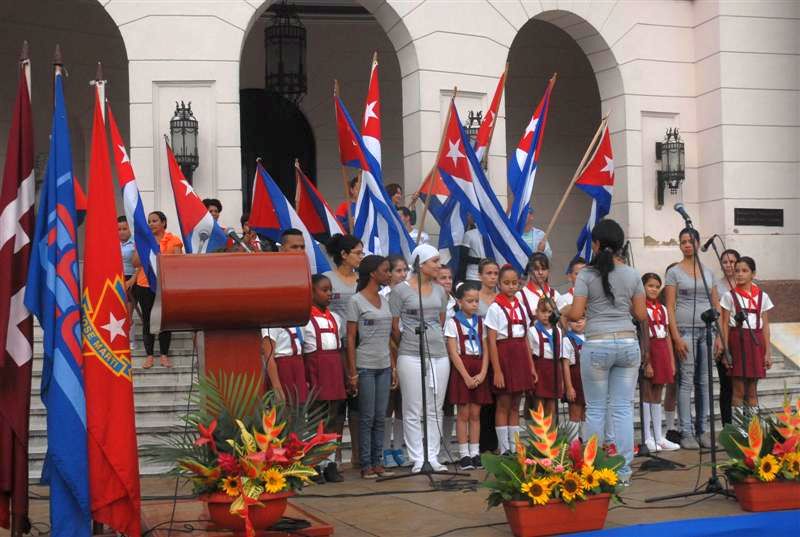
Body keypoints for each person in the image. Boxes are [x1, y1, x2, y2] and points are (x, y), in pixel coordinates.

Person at [567, 218, 647, 485]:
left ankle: (591, 470)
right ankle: (623, 473)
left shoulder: (587, 275)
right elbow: (640, 314)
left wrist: (566, 312)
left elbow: (576, 313)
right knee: (623, 409)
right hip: (627, 343)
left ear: (597, 244)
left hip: (597, 343)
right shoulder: (633, 274)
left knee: (597, 409)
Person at [389, 244, 449, 473]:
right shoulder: (400, 291)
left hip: (439, 354)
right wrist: (408, 341)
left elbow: (440, 319)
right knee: (412, 408)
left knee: (435, 406)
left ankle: (433, 456)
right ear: (420, 264)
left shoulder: (440, 290)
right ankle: (417, 457)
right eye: (434, 261)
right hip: (411, 353)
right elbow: (394, 326)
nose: (438, 265)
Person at [663, 228, 718, 450]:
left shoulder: (709, 272)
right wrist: (675, 337)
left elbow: (716, 305)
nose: (687, 245)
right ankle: (685, 431)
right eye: (683, 242)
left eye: (691, 241)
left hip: (707, 332)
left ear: (698, 243)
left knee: (704, 382)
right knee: (685, 381)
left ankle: (702, 429)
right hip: (684, 331)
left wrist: (718, 335)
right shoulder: (674, 273)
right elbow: (669, 307)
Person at [346, 255, 395, 479]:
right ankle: (366, 463)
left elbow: (388, 337)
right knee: (367, 417)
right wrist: (353, 371)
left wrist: (393, 365)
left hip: (384, 364)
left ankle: (378, 460)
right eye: (386, 270)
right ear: (373, 273)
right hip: (365, 364)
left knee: (380, 416)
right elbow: (350, 338)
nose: (389, 274)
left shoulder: (384, 300)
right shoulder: (356, 301)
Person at [485, 265, 537, 455]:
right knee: (503, 404)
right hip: (504, 355)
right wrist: (497, 370)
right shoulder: (495, 308)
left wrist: (531, 366)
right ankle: (504, 448)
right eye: (506, 283)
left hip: (520, 356)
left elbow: (525, 339)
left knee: (516, 404)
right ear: (499, 284)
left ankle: (515, 447)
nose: (511, 286)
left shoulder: (522, 307)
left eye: (514, 283)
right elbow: (491, 341)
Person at [323, 233, 363, 467]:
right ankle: (333, 457)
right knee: (337, 405)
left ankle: (357, 456)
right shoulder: (328, 279)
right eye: (357, 253)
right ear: (344, 255)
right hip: (336, 346)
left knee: (357, 405)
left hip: (359, 345)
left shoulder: (362, 280)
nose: (360, 257)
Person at [303, 274, 347, 483]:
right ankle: (314, 465)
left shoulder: (335, 318)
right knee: (316, 420)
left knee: (332, 419)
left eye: (330, 290)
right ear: (311, 292)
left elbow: (340, 347)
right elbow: (303, 350)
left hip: (333, 368)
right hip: (316, 368)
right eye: (324, 290)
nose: (329, 294)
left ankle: (329, 463)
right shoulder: (304, 319)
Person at [445, 282, 490, 470]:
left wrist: (482, 373)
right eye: (469, 301)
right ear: (459, 301)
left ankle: (475, 452)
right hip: (462, 367)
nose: (474, 304)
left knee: (475, 414)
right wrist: (465, 376)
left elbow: (487, 350)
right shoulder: (452, 322)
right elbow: (453, 352)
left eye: (476, 301)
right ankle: (464, 454)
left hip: (478, 365)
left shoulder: (481, 322)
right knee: (463, 413)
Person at [720, 257, 773, 410]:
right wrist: (725, 350)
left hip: (756, 343)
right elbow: (724, 325)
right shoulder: (729, 296)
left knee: (752, 391)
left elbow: (765, 326)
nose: (740, 274)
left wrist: (767, 352)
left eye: (744, 271)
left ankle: (752, 431)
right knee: (738, 390)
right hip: (737, 341)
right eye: (737, 271)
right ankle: (737, 433)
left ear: (753, 274)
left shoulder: (762, 296)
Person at [131, 211, 182, 369]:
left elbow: (178, 264)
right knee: (148, 321)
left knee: (164, 321)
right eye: (149, 221)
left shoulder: (174, 240)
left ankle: (164, 355)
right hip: (144, 286)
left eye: (155, 221)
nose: (152, 224)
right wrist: (142, 247)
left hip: (164, 286)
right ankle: (149, 356)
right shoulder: (143, 241)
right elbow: (135, 263)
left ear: (163, 222)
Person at [641, 273, 680, 452]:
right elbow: (642, 336)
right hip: (649, 351)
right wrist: (646, 361)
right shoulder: (641, 308)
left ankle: (659, 436)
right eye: (650, 286)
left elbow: (667, 336)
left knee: (658, 394)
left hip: (662, 350)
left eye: (657, 286)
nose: (654, 289)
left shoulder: (663, 309)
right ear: (642, 287)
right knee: (647, 393)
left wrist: (671, 361)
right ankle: (647, 436)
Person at [381, 255, 409, 468]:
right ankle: (384, 449)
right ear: (388, 273)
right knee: (389, 402)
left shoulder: (410, 293)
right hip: (389, 347)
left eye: (405, 270)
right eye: (398, 271)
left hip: (407, 348)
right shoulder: (383, 295)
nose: (403, 275)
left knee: (403, 403)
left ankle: (398, 446)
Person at [529, 297, 568, 418]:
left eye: (550, 312)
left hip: (554, 368)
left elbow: (561, 356)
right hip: (540, 367)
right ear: (537, 312)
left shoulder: (559, 331)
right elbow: (529, 354)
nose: (546, 315)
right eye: (543, 312)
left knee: (552, 404)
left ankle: (550, 435)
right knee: (539, 405)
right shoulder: (532, 331)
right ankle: (540, 435)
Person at [714, 249, 740, 425]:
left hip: (742, 339)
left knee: (743, 386)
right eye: (725, 262)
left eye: (732, 261)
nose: (729, 265)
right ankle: (727, 427)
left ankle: (744, 426)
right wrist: (720, 340)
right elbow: (717, 314)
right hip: (724, 337)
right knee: (727, 386)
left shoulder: (745, 284)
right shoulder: (716, 285)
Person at [436, 264, 456, 462]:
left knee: (449, 403)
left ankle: (446, 446)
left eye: (449, 277)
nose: (447, 281)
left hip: (453, 357)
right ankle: (432, 446)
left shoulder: (456, 303)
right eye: (443, 278)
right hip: (435, 354)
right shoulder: (432, 302)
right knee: (435, 403)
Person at [262, 326, 307, 404]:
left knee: (300, 409)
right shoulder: (271, 325)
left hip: (298, 371)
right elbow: (268, 358)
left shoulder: (297, 323)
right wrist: (277, 388)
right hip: (283, 372)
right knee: (285, 409)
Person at [519, 252, 561, 325]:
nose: (540, 272)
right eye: (536, 269)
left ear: (548, 271)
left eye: (544, 269)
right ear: (529, 271)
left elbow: (561, 322)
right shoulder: (520, 295)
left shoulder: (555, 294)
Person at [563, 315, 586, 437]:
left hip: (588, 379)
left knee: (586, 414)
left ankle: (586, 444)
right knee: (575, 413)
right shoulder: (567, 340)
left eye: (581, 319)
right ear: (568, 323)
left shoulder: (590, 337)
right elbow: (565, 365)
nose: (578, 322)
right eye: (574, 320)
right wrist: (569, 387)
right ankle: (573, 446)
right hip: (575, 379)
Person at [118, 216, 137, 328]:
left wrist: (132, 280)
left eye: (125, 229)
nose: (122, 232)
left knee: (128, 314)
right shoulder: (112, 242)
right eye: (119, 229)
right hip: (115, 278)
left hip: (131, 278)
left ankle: (132, 342)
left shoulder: (136, 242)